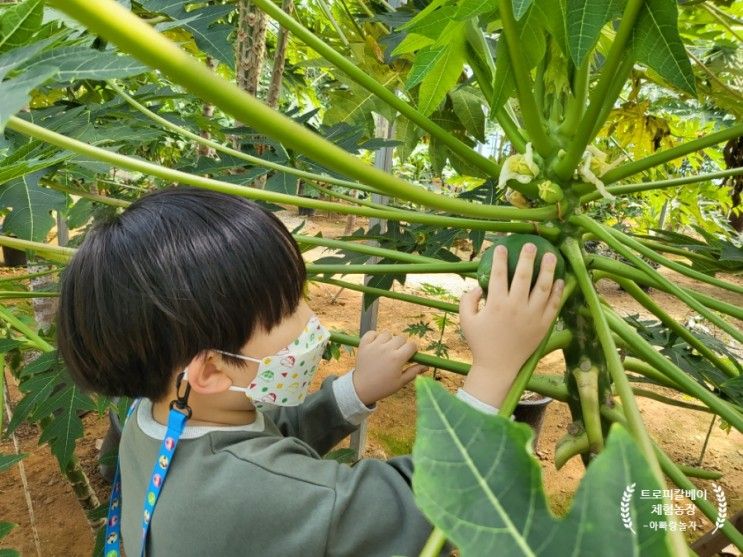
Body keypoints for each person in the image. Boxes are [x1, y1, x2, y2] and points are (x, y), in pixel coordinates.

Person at [56, 187, 564, 557]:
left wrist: (354, 392)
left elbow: (265, 437)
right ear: (208, 368)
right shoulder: (257, 495)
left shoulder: (158, 414)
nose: (311, 321)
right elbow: (419, 510)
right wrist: (495, 369)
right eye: (286, 313)